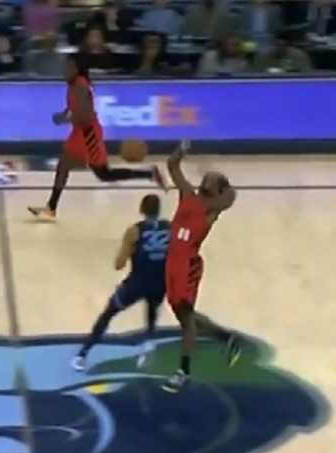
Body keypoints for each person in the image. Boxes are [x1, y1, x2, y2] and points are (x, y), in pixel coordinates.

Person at [28, 52, 164, 222]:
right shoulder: (74, 85)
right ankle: (51, 208)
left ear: (77, 69)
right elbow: (74, 106)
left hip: (88, 134)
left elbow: (85, 116)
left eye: (68, 67)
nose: (65, 69)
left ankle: (149, 174)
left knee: (101, 173)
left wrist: (63, 120)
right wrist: (63, 114)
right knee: (72, 167)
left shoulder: (80, 85)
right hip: (81, 132)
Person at [162, 140, 241, 393]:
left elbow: (231, 197)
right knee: (185, 316)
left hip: (188, 264)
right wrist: (181, 150)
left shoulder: (212, 209)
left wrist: (223, 185)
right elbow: (172, 165)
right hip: (172, 261)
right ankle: (225, 337)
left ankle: (183, 371)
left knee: (186, 319)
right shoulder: (188, 194)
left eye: (212, 179)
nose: (207, 177)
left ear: (216, 190)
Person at [73, 193, 168, 371]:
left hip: (138, 283)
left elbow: (119, 264)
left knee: (108, 313)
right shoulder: (170, 228)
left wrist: (126, 252)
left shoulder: (134, 230)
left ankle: (82, 355)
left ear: (142, 209)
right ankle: (149, 341)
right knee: (152, 309)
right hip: (161, 282)